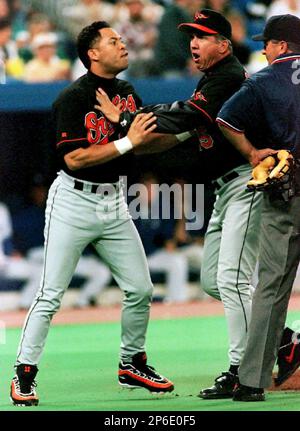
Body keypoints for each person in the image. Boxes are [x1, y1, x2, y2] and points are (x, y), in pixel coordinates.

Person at [96, 8, 263, 399]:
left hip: (247, 183)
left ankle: (243, 370)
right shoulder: (211, 79)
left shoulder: (228, 77)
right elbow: (180, 137)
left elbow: (187, 115)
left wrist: (131, 116)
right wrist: (129, 130)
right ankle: (283, 338)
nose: (193, 42)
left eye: (202, 36)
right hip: (226, 190)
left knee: (232, 280)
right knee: (212, 281)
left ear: (223, 44)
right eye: (191, 35)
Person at [9, 21, 174, 407]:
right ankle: (24, 374)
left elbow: (144, 143)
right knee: (50, 294)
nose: (123, 44)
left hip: (114, 200)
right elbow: (75, 157)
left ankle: (131, 362)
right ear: (93, 53)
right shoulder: (73, 97)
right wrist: (127, 139)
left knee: (141, 288)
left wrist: (129, 130)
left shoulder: (128, 92)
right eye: (113, 41)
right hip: (74, 200)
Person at [217, 13, 300, 401]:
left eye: (266, 43)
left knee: (269, 287)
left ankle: (251, 382)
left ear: (282, 46)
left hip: (287, 190)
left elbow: (225, 119)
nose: (263, 49)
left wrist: (252, 152)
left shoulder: (265, 79)